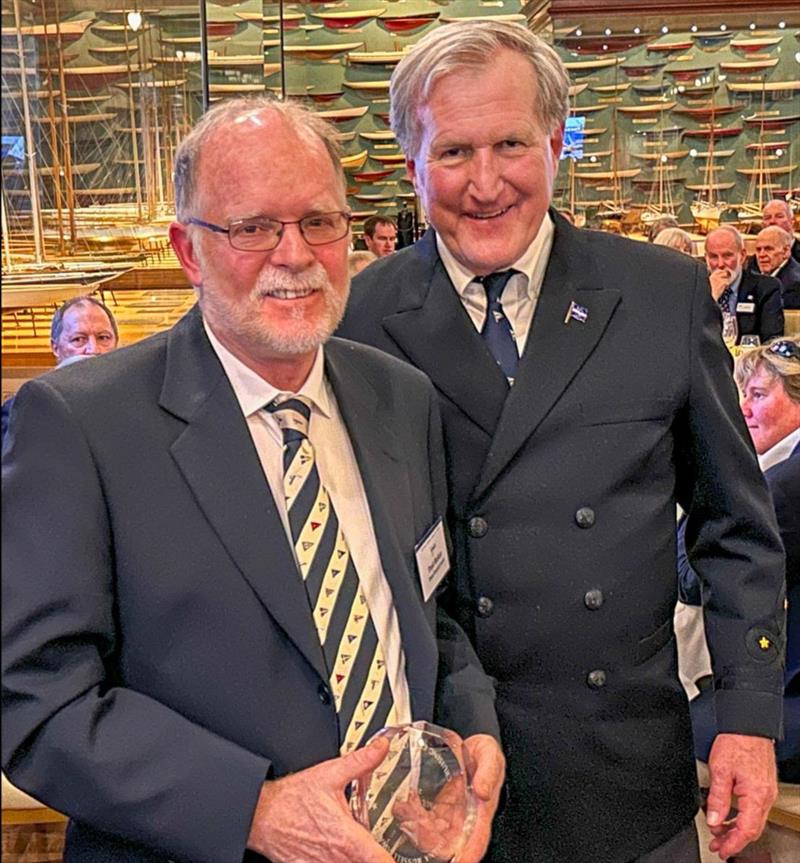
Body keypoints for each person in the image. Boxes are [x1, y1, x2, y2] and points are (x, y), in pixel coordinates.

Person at [2, 97, 505, 863]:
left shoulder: (400, 398)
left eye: (319, 221)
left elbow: (427, 616)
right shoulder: (81, 424)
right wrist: (256, 809)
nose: (294, 253)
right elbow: (36, 700)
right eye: (252, 227)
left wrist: (472, 729)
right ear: (186, 250)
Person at [337, 19, 786, 863]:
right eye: (452, 152)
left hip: (625, 780)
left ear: (553, 144)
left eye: (509, 144)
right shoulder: (359, 320)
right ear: (411, 166)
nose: (485, 183)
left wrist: (749, 719)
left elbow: (735, 529)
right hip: (441, 783)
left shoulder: (659, 292)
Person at [678, 338, 800, 783]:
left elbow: (692, 578)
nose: (743, 409)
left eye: (760, 395)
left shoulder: (784, 485)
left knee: (673, 723)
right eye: (742, 395)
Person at [1, 295, 120, 446]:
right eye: (78, 339)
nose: (93, 350)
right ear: (55, 348)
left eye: (103, 338)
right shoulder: (20, 411)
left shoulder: (137, 403)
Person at [705, 224, 784, 344]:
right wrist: (710, 298)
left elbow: (772, 341)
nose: (720, 264)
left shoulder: (766, 288)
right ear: (706, 258)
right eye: (714, 257)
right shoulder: (696, 288)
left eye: (727, 256)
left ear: (742, 256)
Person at [751, 226, 800, 310]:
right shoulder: (752, 271)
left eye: (768, 249)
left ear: (785, 251)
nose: (761, 255)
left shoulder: (795, 284)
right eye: (758, 250)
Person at [762, 198, 800, 264]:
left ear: (792, 222)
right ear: (762, 225)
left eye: (779, 216)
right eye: (767, 217)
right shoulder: (755, 262)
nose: (772, 221)